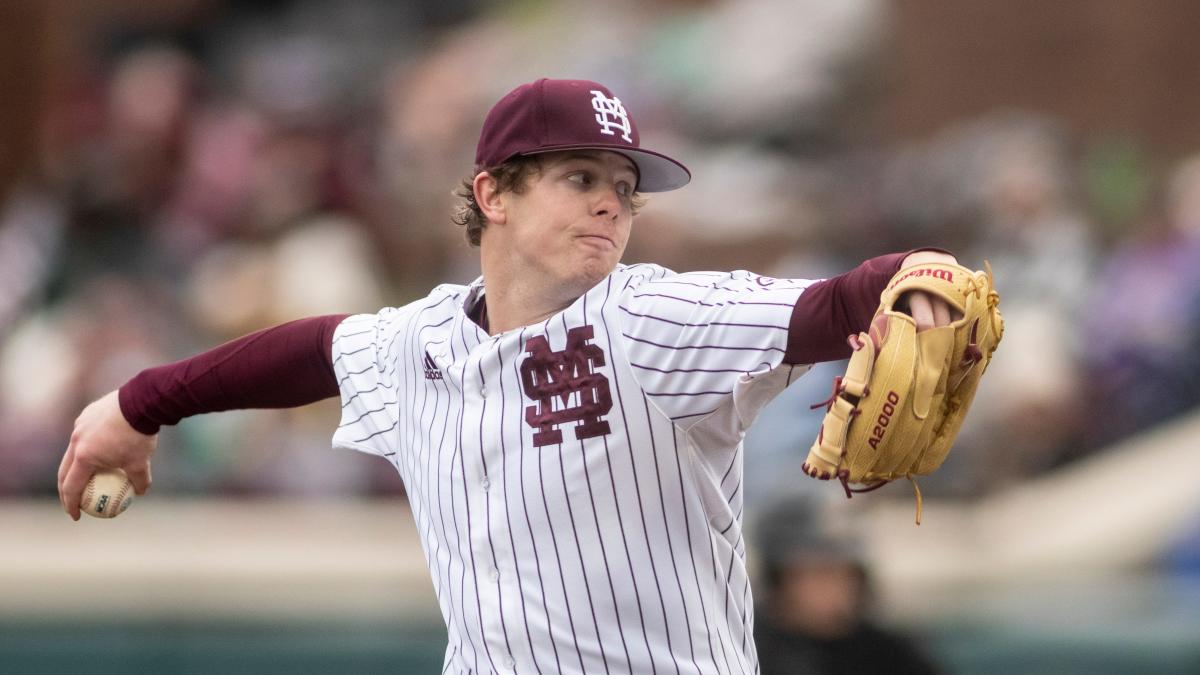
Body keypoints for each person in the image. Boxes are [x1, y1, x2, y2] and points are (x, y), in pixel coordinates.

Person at [60, 78, 960, 674]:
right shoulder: (417, 343)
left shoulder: (652, 318)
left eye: (623, 184)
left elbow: (838, 300)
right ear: (495, 193)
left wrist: (915, 283)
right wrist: (136, 405)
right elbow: (307, 352)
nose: (612, 200)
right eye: (579, 176)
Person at [752, 495, 940, 675]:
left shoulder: (890, 654)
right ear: (780, 579)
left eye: (846, 573)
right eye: (819, 572)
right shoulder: (747, 648)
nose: (836, 587)